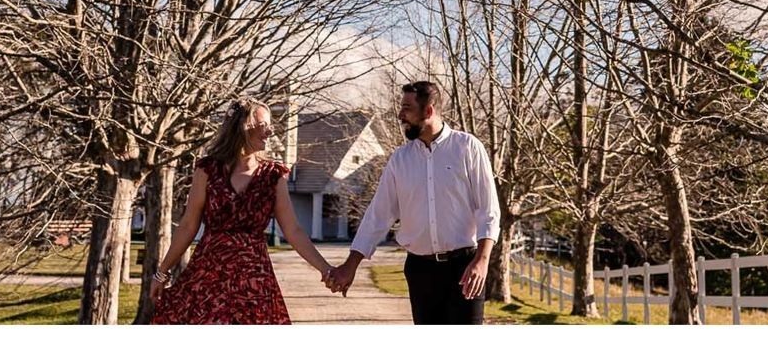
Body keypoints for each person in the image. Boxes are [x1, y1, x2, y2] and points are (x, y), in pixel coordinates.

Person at [140, 97, 333, 325]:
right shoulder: (207, 170)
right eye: (263, 125)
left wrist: (325, 269)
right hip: (209, 276)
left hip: (254, 281)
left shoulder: (273, 175)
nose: (270, 132)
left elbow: (293, 230)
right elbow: (188, 226)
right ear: (242, 127)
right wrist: (162, 272)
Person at [324, 80, 500, 325]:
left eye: (406, 108)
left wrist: (481, 261)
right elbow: (378, 215)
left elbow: (488, 210)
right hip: (420, 272)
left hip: (464, 268)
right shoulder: (400, 160)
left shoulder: (467, 148)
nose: (400, 115)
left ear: (428, 111)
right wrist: (350, 265)